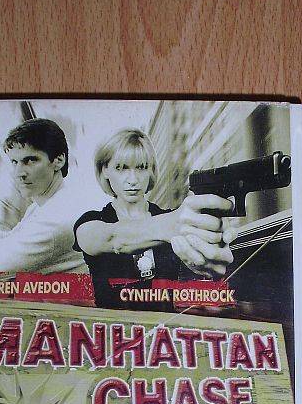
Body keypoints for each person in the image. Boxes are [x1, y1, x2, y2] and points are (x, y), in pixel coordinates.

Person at [72, 128, 234, 309]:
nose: (132, 179)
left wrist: (211, 261)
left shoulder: (174, 218)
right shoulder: (90, 221)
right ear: (105, 171)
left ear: (151, 171)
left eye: (141, 167)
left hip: (164, 325)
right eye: (121, 168)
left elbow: (203, 277)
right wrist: (175, 225)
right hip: (112, 326)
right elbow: (113, 238)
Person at [0, 118, 85, 292]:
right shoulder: (47, 205)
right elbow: (6, 244)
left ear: (59, 160)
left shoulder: (55, 218)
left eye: (30, 160)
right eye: (14, 162)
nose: (19, 173)